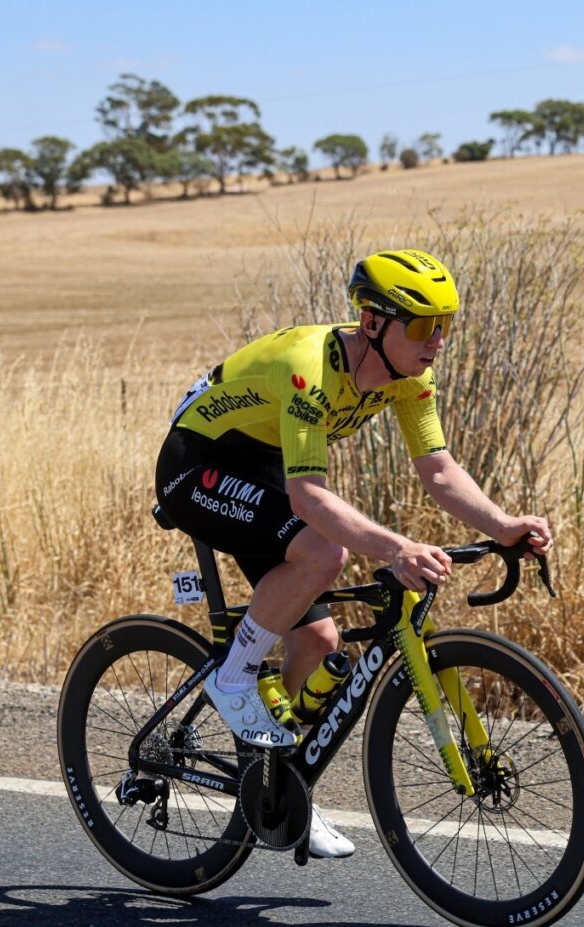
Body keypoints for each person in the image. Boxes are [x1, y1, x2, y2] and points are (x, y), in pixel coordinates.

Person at [154, 248, 553, 858]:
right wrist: (397, 548)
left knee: (317, 645)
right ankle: (233, 677)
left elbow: (438, 469)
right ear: (373, 322)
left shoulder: (411, 376)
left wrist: (502, 526)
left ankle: (275, 782)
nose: (436, 341)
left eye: (445, 325)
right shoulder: (309, 369)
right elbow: (310, 499)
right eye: (422, 326)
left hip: (262, 464)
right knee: (324, 554)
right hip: (199, 462)